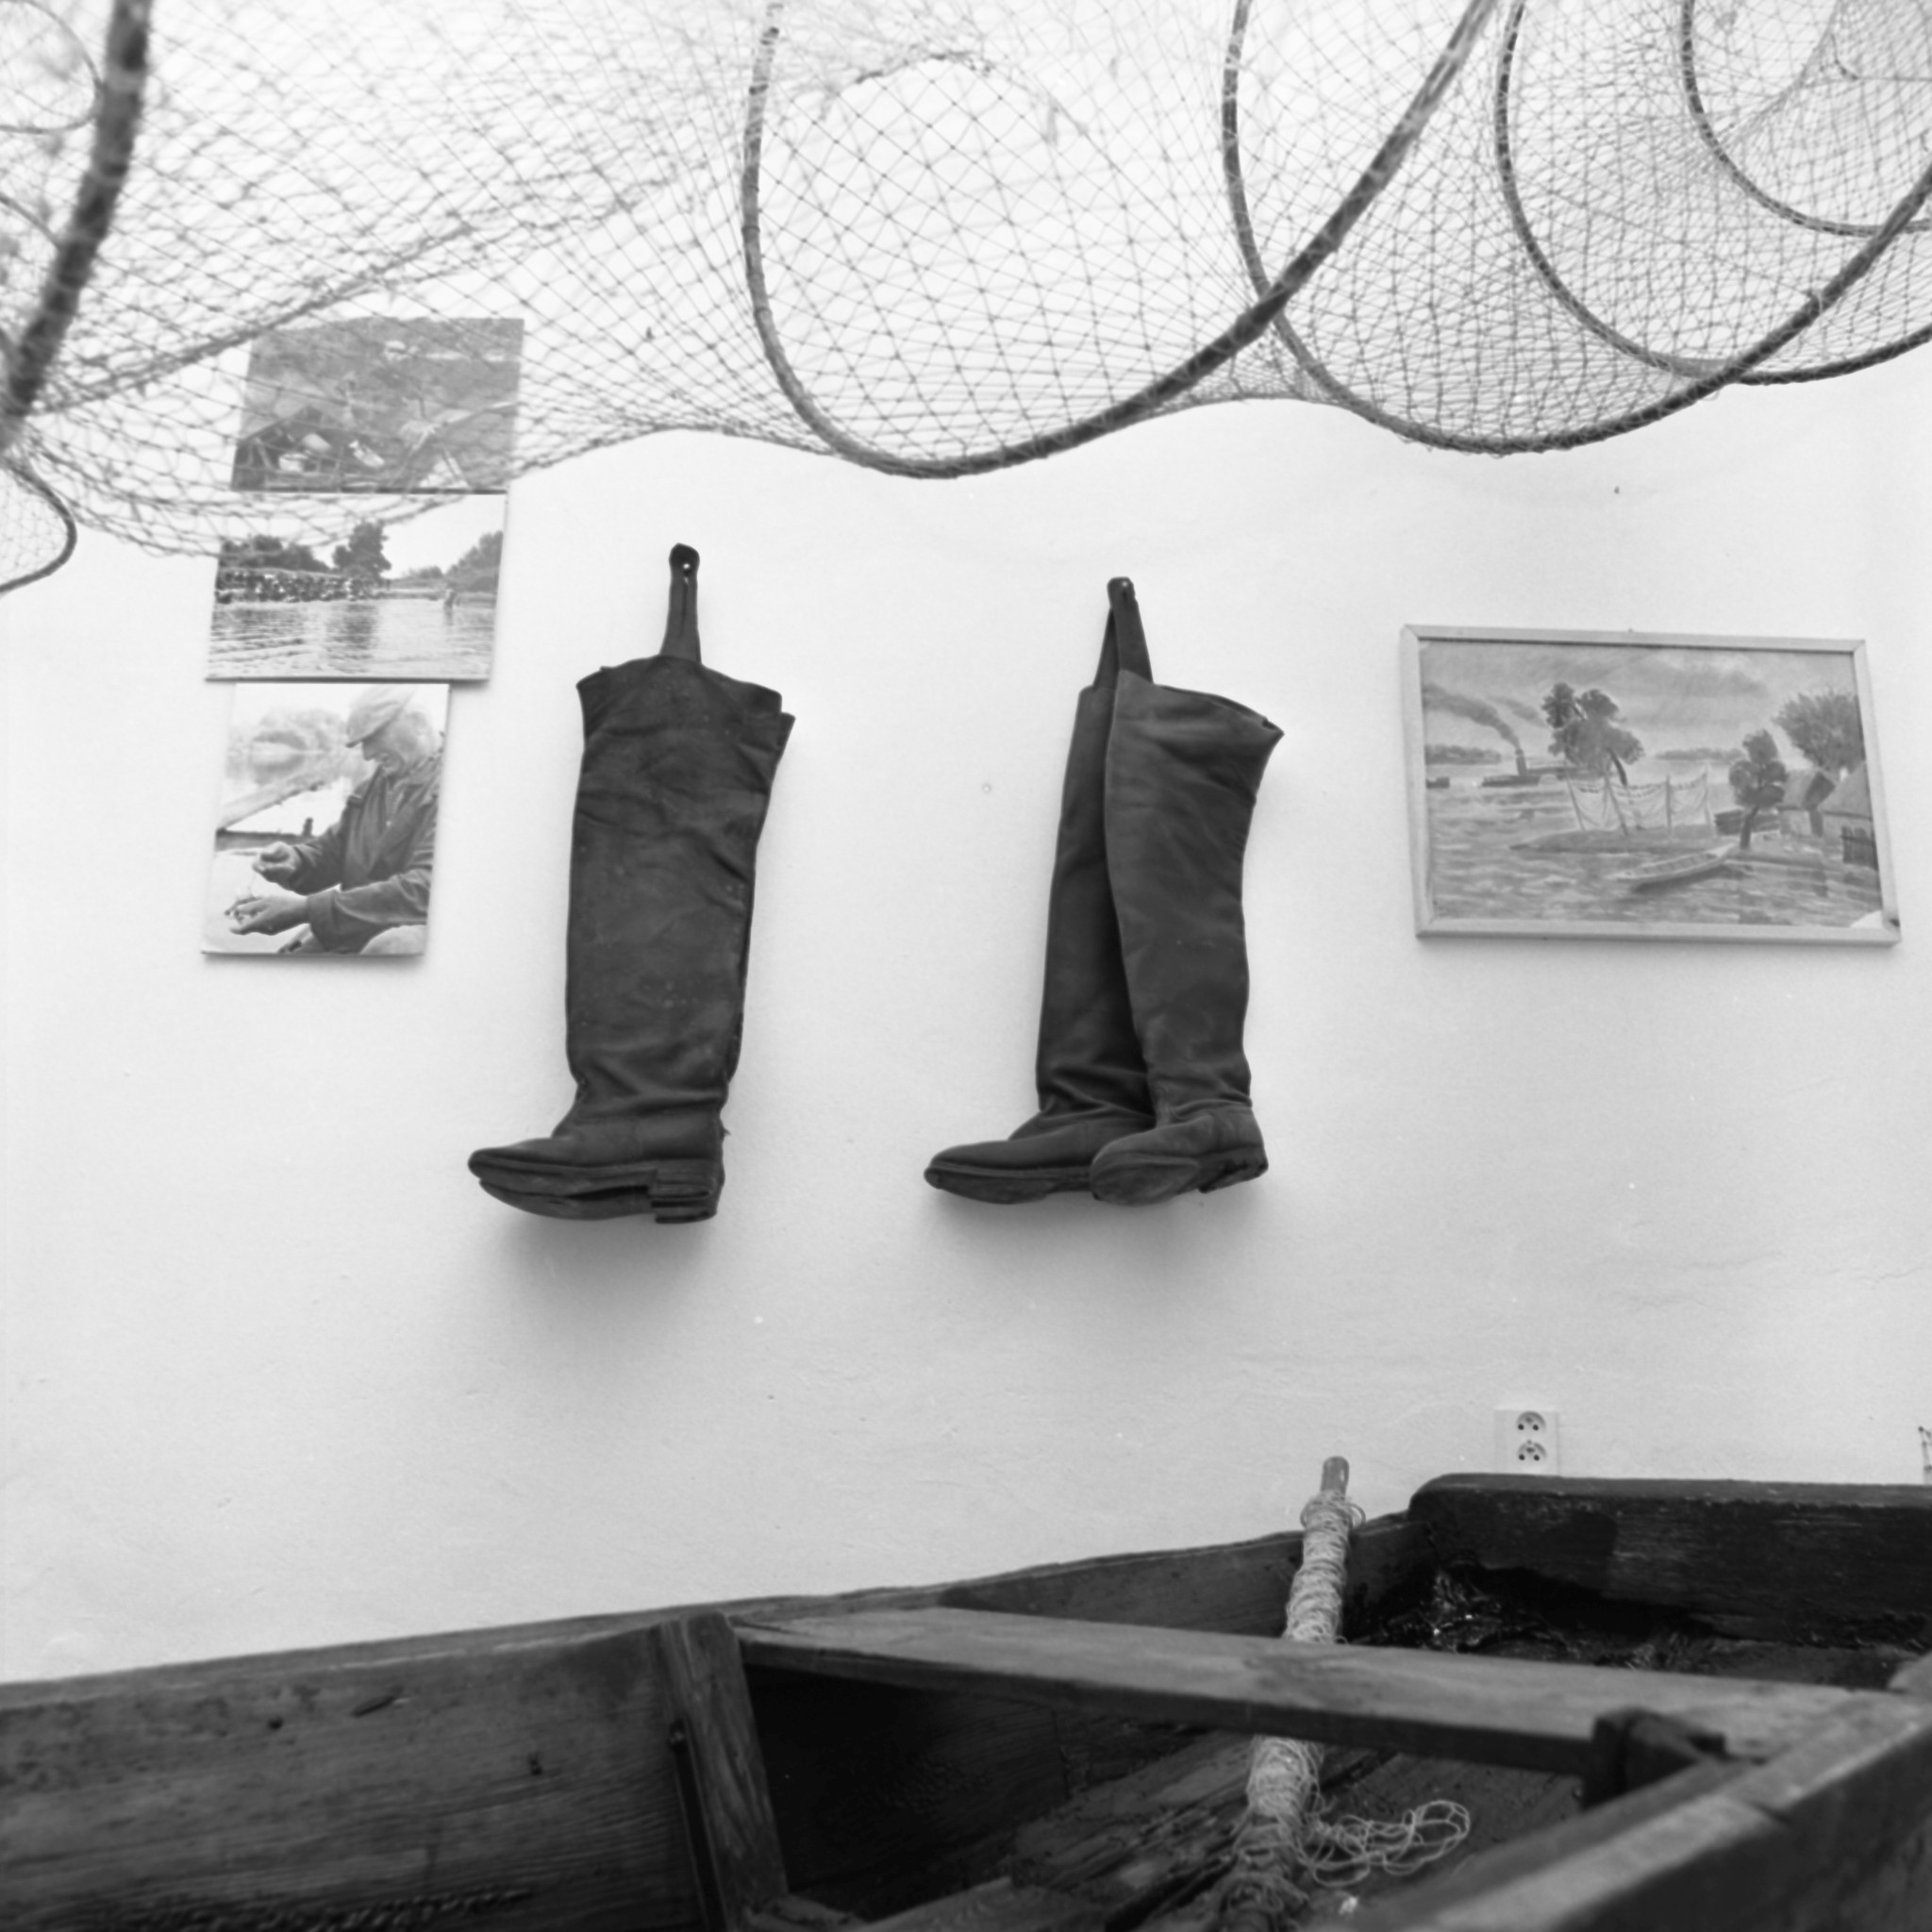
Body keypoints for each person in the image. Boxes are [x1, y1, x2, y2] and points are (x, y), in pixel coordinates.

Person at [227, 687, 441, 955]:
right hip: (353, 927)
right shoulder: (371, 788)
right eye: (362, 742)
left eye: (375, 736)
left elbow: (425, 890)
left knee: (392, 947)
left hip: (406, 938)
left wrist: (307, 911)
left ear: (418, 723)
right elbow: (334, 852)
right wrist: (295, 861)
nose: (367, 754)